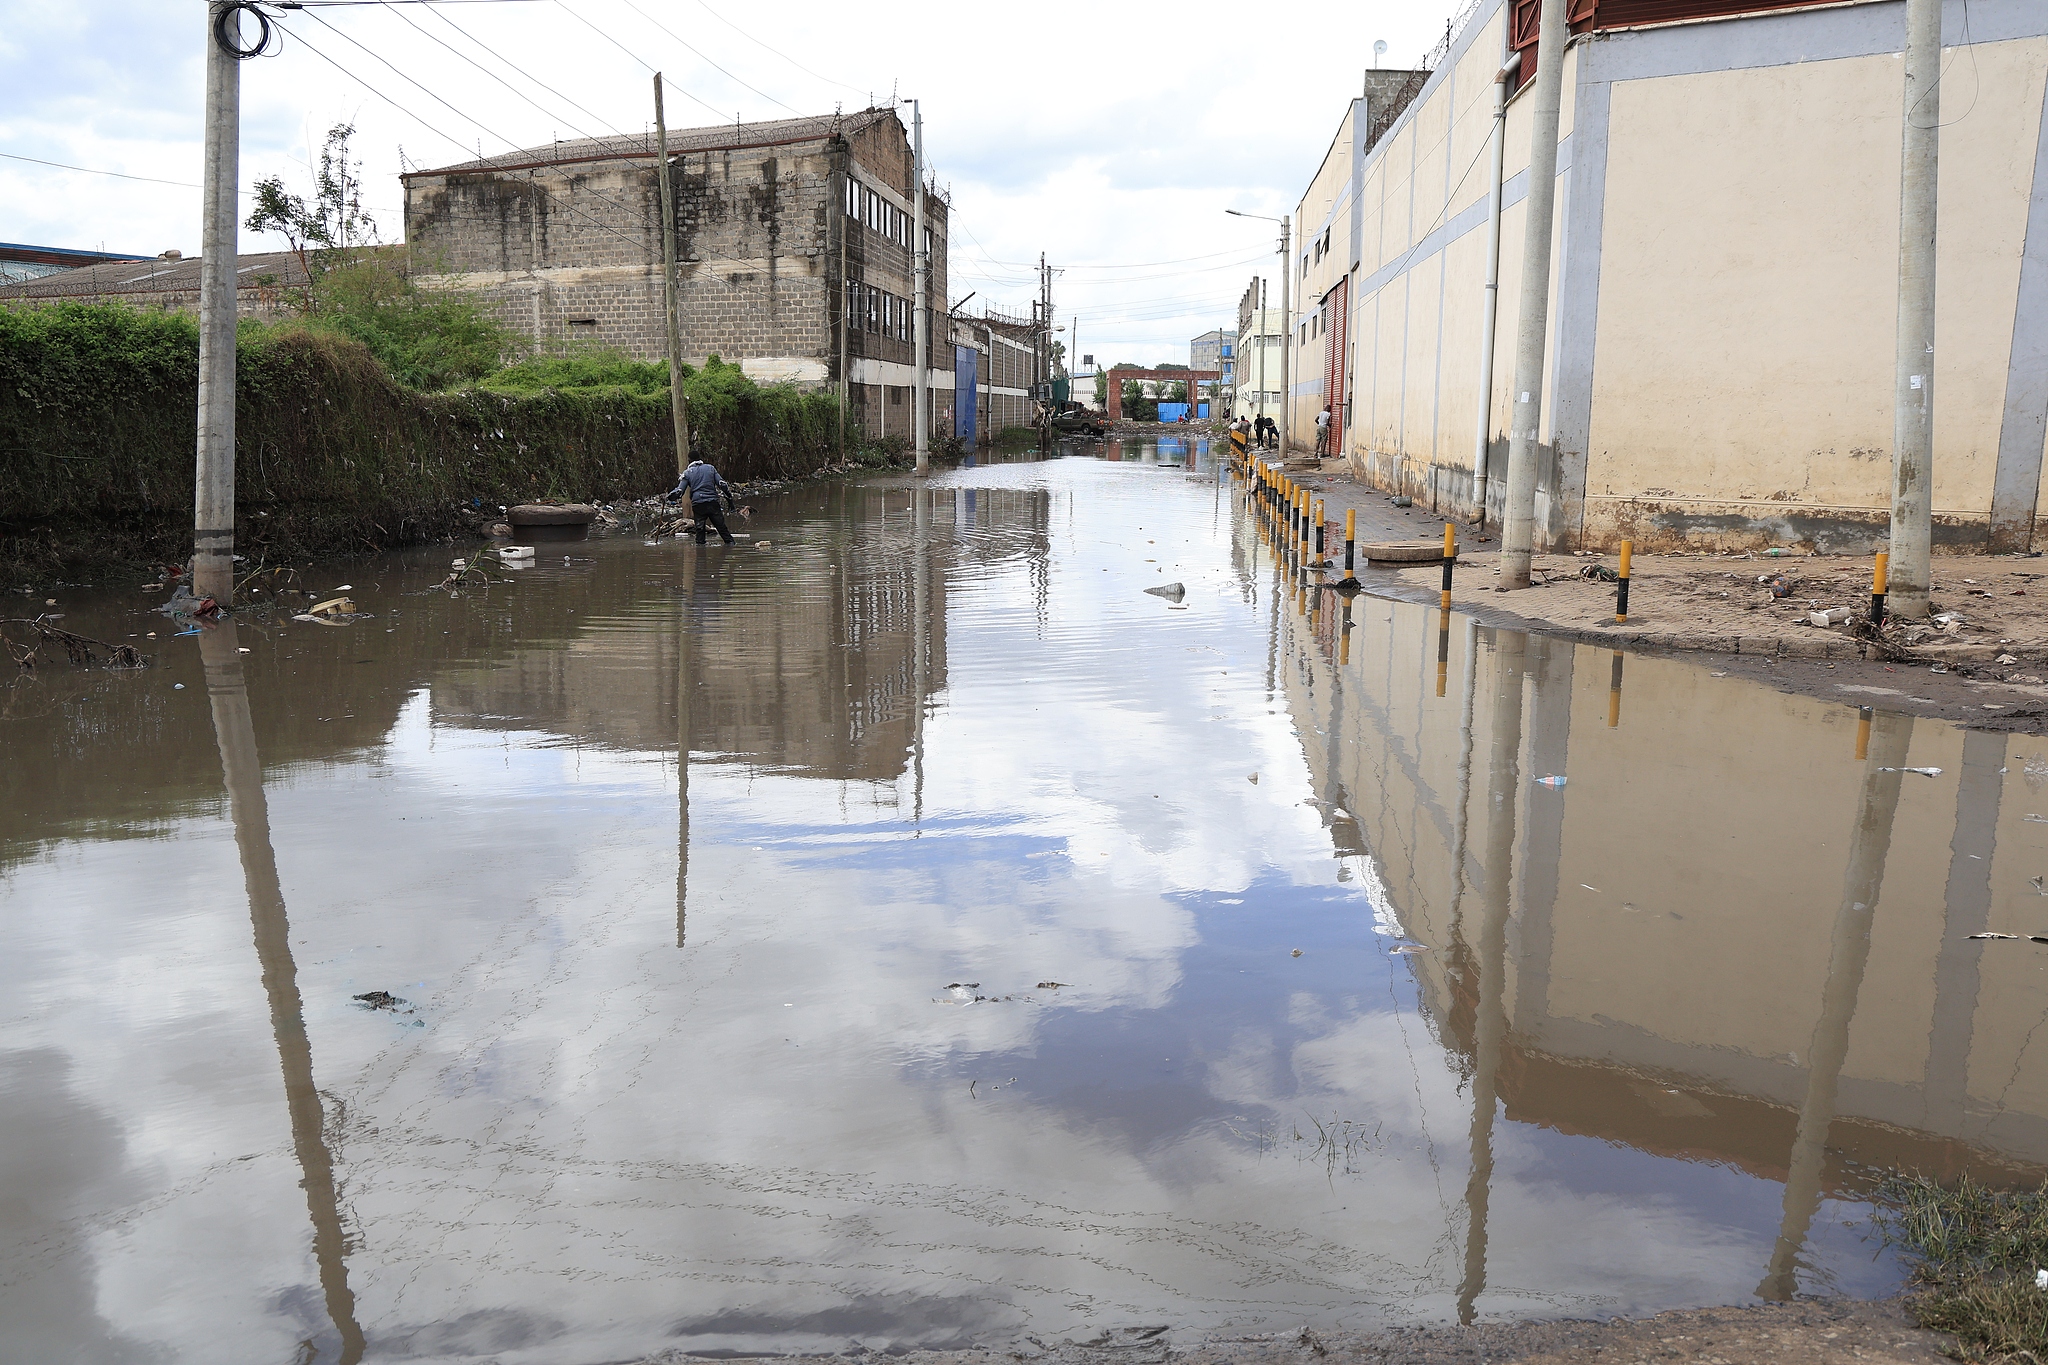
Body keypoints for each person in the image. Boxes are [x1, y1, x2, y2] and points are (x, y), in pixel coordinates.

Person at [669, 457, 737, 545]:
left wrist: (669, 497)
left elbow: (680, 491)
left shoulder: (687, 473)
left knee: (700, 531)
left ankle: (700, 555)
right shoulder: (710, 468)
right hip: (712, 503)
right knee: (722, 528)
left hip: (698, 505)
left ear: (689, 460)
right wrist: (730, 501)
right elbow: (722, 484)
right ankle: (730, 545)